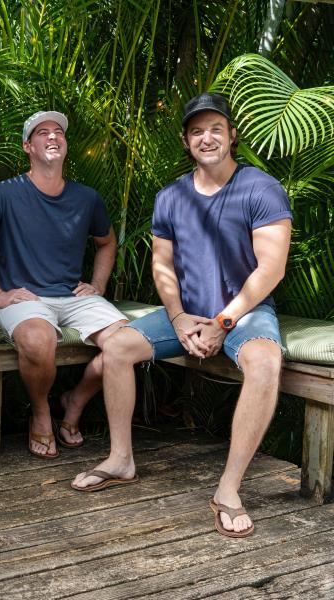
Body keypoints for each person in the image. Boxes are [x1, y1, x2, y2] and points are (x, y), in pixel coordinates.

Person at [73, 93, 292, 538]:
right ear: (186, 141)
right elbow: (162, 265)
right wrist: (176, 319)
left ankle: (228, 491)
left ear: (232, 134)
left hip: (242, 314)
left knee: (266, 362)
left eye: (215, 129)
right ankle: (121, 459)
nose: (206, 138)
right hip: (185, 315)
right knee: (116, 346)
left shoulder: (261, 188)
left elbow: (272, 268)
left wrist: (223, 322)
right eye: (196, 131)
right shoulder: (170, 196)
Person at [0, 110, 127, 459]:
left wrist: (97, 284)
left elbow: (107, 242)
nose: (53, 137)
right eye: (42, 133)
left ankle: (74, 402)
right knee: (38, 341)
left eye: (58, 132)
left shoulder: (86, 198)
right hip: (27, 298)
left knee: (127, 344)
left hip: (74, 297)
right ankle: (40, 411)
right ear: (28, 146)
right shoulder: (3, 194)